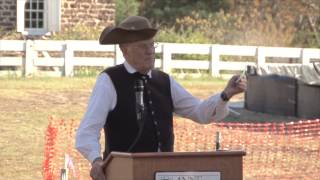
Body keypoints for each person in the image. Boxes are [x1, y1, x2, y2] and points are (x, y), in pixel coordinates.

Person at [75, 16, 246, 180]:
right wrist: (96, 161)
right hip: (123, 174)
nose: (150, 51)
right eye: (143, 46)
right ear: (125, 49)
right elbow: (87, 131)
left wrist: (226, 95)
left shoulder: (164, 81)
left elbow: (199, 112)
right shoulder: (109, 81)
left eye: (152, 45)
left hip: (164, 173)